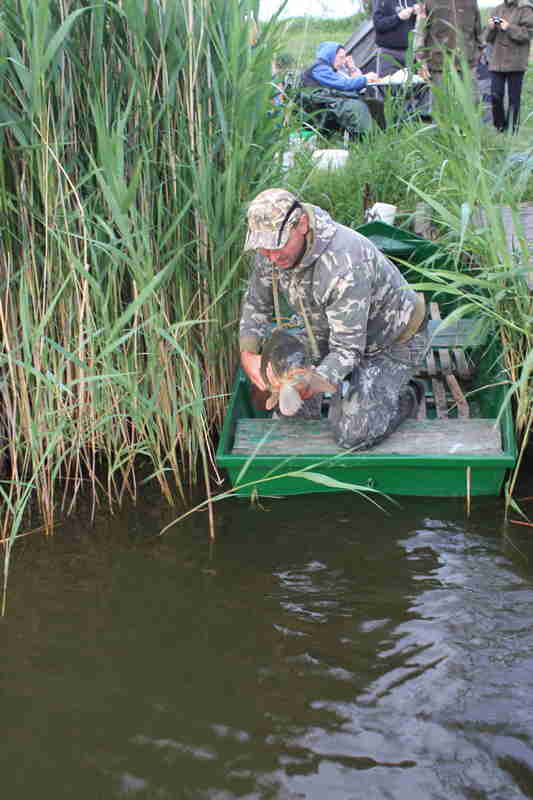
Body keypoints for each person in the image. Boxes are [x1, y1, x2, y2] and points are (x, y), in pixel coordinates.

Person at [239, 189, 429, 451]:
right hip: (327, 330)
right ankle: (309, 410)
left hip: (390, 341)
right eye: (263, 247)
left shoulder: (345, 263)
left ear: (301, 224)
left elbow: (347, 351)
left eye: (278, 245)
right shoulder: (272, 251)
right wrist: (248, 354)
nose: (271, 256)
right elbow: (255, 303)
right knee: (284, 390)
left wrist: (310, 382)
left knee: (354, 433)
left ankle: (405, 396)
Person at [299, 42, 378, 137]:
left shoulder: (331, 68)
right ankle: (363, 137)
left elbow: (349, 82)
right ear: (331, 55)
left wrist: (352, 68)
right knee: (357, 106)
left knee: (374, 104)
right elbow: (344, 84)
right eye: (341, 57)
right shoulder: (319, 68)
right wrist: (365, 79)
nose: (343, 61)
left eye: (344, 58)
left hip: (329, 100)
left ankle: (375, 135)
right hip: (320, 104)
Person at [416, 0, 483, 96]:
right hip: (439, 65)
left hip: (467, 64)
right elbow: (420, 32)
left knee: (472, 101)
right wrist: (420, 61)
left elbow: (478, 31)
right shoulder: (429, 2)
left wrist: (479, 53)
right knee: (442, 103)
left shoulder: (471, 2)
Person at [485, 1, 533, 133]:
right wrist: (491, 28)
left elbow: (528, 34)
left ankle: (512, 130)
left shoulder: (525, 9)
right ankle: (499, 128)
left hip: (516, 62)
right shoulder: (497, 9)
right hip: (497, 61)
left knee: (514, 99)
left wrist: (508, 27)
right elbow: (488, 38)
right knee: (495, 95)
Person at [373, 0, 425, 76]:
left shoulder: (414, 1)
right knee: (391, 83)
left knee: (416, 82)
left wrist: (420, 11)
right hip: (389, 54)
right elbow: (378, 25)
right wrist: (398, 17)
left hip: (412, 53)